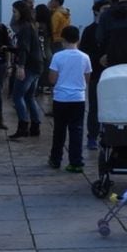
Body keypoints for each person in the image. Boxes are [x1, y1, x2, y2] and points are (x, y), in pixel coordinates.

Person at [47, 26, 92, 173]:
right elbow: (87, 78)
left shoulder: (57, 56)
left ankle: (55, 159)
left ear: (63, 39)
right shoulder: (85, 57)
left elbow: (52, 79)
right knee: (77, 131)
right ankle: (76, 162)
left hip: (60, 98)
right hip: (78, 99)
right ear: (78, 39)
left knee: (59, 130)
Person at [8, 0, 45, 139]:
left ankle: (23, 126)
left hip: (29, 65)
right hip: (37, 65)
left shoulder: (24, 27)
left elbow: (24, 48)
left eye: (15, 12)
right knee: (30, 97)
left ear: (21, 12)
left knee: (17, 95)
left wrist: (21, 67)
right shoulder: (31, 25)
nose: (14, 15)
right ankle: (35, 126)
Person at [79, 0, 110, 150]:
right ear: (97, 11)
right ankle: (92, 136)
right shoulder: (89, 30)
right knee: (94, 107)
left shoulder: (113, 28)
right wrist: (98, 58)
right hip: (96, 73)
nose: (107, 12)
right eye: (104, 9)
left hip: (111, 74)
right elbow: (84, 51)